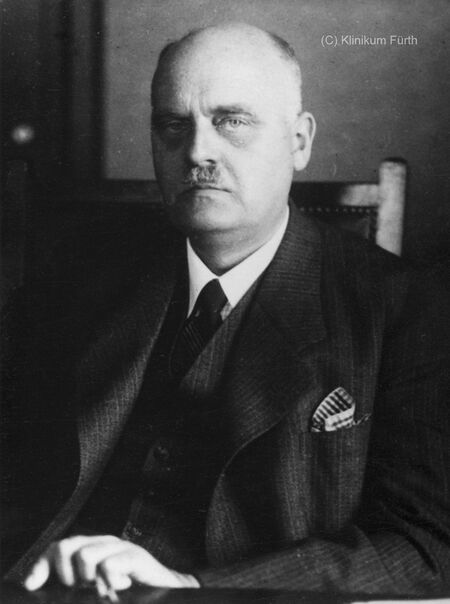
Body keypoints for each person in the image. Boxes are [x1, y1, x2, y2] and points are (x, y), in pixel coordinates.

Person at [3, 22, 450, 596]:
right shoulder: (79, 279)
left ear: (299, 141)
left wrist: (193, 585)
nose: (197, 152)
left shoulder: (407, 308)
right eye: (173, 125)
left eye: (231, 121)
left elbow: (427, 546)